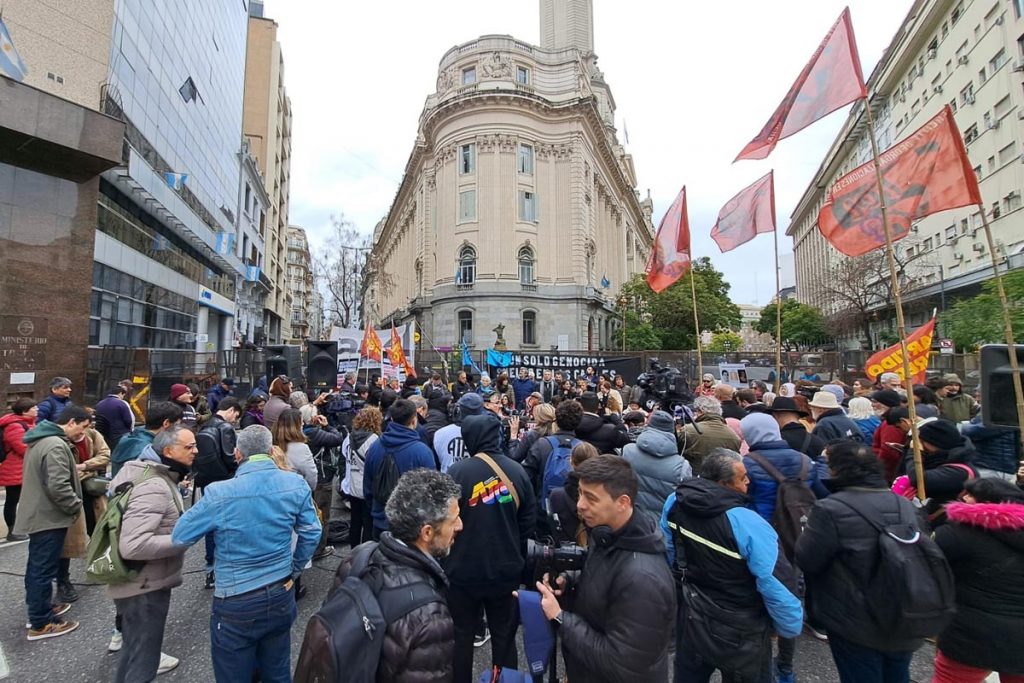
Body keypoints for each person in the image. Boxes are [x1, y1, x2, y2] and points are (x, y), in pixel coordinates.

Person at [172, 425, 321, 682]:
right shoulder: (295, 484)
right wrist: (294, 569)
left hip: (235, 597)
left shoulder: (219, 493)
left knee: (234, 673)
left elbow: (180, 536)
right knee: (277, 669)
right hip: (280, 590)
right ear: (272, 450)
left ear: (238, 454)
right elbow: (311, 531)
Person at [661, 448, 803, 683]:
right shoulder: (747, 523)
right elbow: (774, 580)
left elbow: (668, 547)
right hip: (741, 626)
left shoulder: (675, 501)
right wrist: (788, 626)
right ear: (725, 483)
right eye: (743, 478)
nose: (748, 482)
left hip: (692, 609)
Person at [534, 455, 675, 683]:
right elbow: (605, 579)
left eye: (591, 498)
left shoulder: (643, 579)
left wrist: (560, 618)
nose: (580, 505)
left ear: (623, 503)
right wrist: (570, 579)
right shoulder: (607, 534)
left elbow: (622, 665)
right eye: (580, 493)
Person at [795, 441, 927, 682]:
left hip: (853, 614)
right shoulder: (905, 505)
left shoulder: (830, 508)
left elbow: (807, 558)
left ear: (838, 470)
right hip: (903, 608)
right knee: (897, 673)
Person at [323, 468, 462, 682]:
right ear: (427, 533)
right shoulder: (430, 616)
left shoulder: (358, 556)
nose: (460, 526)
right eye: (454, 520)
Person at [446, 412, 536, 683]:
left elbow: (444, 522)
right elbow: (528, 526)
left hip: (461, 569)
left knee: (460, 636)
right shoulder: (517, 471)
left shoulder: (457, 472)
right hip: (505, 569)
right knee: (504, 637)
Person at [109, 425, 195, 681]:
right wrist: (182, 538)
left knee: (133, 651)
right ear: (168, 450)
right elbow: (133, 545)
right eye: (189, 447)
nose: (195, 451)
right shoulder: (153, 486)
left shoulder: (142, 470)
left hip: (138, 582)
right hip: (144, 585)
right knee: (144, 661)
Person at [931, 478, 1024, 683]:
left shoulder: (956, 534)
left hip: (971, 638)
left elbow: (925, 569)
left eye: (970, 494)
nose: (963, 497)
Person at [16, 405, 93, 640]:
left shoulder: (42, 439)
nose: (83, 434)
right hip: (48, 516)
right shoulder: (56, 445)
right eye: (82, 427)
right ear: (71, 422)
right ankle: (41, 622)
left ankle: (40, 609)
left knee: (38, 567)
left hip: (40, 513)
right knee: (42, 569)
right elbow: (58, 486)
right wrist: (75, 505)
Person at [364, 399, 438, 538]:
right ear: (414, 420)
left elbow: (368, 488)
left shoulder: (374, 447)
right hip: (412, 527)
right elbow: (431, 492)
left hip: (380, 522)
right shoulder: (422, 452)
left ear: (391, 418)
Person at [195, 397, 242, 589]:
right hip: (225, 482)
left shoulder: (205, 425)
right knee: (228, 524)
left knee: (211, 526)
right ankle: (226, 566)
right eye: (236, 416)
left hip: (207, 481)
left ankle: (210, 568)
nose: (235, 420)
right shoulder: (225, 428)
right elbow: (230, 458)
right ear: (230, 410)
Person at [623, 410, 691, 523]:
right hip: (661, 527)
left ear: (648, 425)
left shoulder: (627, 451)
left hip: (630, 521)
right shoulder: (682, 466)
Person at [906, 419, 980, 524]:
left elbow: (919, 479)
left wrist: (914, 453)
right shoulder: (944, 459)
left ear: (933, 444)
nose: (919, 444)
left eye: (921, 441)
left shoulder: (958, 472)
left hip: (947, 525)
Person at [299, 403, 347, 559]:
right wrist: (328, 426)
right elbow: (337, 438)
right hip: (322, 478)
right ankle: (319, 549)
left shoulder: (300, 432)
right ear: (314, 417)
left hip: (305, 478)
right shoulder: (314, 433)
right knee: (323, 515)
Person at [524, 399, 583, 511]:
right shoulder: (584, 448)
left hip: (544, 507)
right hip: (574, 509)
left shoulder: (541, 444)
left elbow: (527, 477)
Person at [340, 407, 382, 548]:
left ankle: (353, 550)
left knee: (355, 521)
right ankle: (364, 553)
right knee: (368, 523)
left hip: (352, 485)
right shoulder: (374, 440)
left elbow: (344, 457)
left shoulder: (349, 437)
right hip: (366, 486)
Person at [110, 401, 183, 478]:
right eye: (177, 425)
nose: (178, 430)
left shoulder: (127, 438)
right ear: (166, 423)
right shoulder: (149, 450)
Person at [548, 442, 599, 545]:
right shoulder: (604, 498)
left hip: (565, 553)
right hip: (596, 552)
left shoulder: (556, 496)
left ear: (571, 461)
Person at [0, 398, 37, 541]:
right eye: (34, 408)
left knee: (23, 500)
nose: (37, 410)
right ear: (25, 411)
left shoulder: (28, 423)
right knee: (12, 500)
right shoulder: (14, 426)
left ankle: (21, 528)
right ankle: (12, 531)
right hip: (15, 470)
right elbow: (23, 448)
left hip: (24, 468)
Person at [679, 396, 743, 473]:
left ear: (701, 410)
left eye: (695, 411)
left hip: (694, 477)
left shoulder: (688, 430)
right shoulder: (733, 435)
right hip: (719, 479)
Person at [961, 414, 1021, 481]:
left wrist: (965, 425)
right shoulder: (1011, 414)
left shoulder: (999, 416)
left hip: (992, 467)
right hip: (1004, 467)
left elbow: (969, 431)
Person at [435, 393, 485, 472]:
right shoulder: (485, 434)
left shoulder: (439, 433)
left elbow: (436, 464)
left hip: (447, 480)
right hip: (476, 481)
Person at [272, 408, 317, 492]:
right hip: (296, 492)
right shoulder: (302, 448)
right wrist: (308, 491)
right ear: (296, 426)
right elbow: (311, 475)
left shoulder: (271, 445)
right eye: (301, 422)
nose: (303, 424)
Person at [870, 389, 906, 483]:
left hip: (887, 473)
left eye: (875, 402)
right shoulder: (888, 421)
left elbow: (888, 450)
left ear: (885, 403)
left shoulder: (890, 424)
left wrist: (878, 470)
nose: (872, 405)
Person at [94, 384, 135, 452]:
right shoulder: (122, 404)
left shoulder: (99, 404)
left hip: (103, 436)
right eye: (123, 395)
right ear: (120, 393)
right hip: (119, 435)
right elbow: (129, 421)